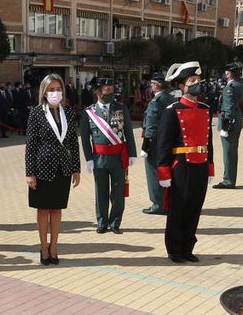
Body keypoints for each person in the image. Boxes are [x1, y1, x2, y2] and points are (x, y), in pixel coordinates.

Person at [156, 62, 213, 263]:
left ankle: (188, 247)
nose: (197, 84)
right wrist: (163, 171)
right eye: (192, 81)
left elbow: (209, 141)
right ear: (182, 86)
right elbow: (163, 143)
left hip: (200, 164)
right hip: (181, 165)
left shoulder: (205, 108)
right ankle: (174, 249)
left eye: (198, 80)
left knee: (194, 207)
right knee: (178, 208)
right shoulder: (172, 110)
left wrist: (210, 166)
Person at [24, 74, 81, 265]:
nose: (55, 93)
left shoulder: (69, 112)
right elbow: (31, 145)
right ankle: (43, 248)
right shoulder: (37, 113)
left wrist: (76, 168)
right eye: (51, 89)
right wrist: (29, 172)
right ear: (44, 92)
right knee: (43, 210)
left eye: (58, 89)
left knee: (57, 209)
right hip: (42, 168)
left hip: (63, 168)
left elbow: (73, 142)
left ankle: (54, 247)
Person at [80, 79, 137, 234]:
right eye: (107, 91)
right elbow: (85, 138)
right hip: (99, 158)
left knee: (118, 192)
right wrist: (89, 159)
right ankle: (102, 222)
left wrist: (132, 153)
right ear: (98, 92)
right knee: (101, 191)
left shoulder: (121, 108)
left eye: (112, 91)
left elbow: (129, 133)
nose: (111, 94)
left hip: (118, 158)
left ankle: (115, 223)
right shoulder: (89, 112)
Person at [140, 73, 176, 215]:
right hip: (169, 141)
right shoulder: (171, 98)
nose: (151, 86)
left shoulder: (156, 101)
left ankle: (158, 203)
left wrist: (146, 146)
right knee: (167, 171)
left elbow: (151, 127)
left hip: (156, 144)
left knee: (153, 172)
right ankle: (168, 202)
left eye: (152, 83)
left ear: (157, 85)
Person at [214, 62, 243, 189]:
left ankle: (228, 180)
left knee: (228, 152)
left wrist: (226, 126)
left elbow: (228, 107)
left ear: (230, 73)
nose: (225, 74)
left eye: (227, 72)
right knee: (232, 152)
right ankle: (230, 178)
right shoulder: (241, 85)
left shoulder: (231, 87)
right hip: (237, 119)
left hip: (230, 122)